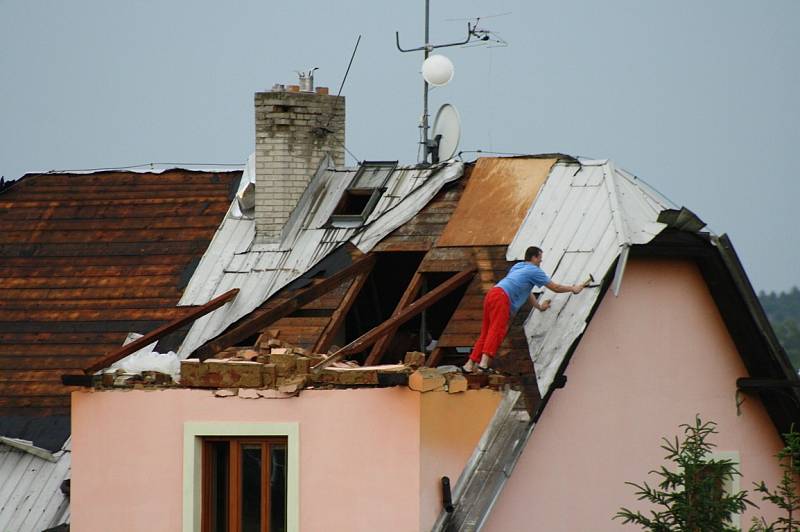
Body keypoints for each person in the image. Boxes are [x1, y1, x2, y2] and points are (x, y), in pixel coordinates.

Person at [463, 246, 588, 374]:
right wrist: (573, 289)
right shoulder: (534, 270)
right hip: (502, 298)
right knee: (496, 330)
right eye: (540, 258)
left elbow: (526, 291)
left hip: (493, 293)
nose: (541, 261)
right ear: (534, 257)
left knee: (486, 332)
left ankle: (469, 364)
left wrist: (539, 307)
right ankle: (483, 364)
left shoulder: (519, 266)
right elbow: (555, 287)